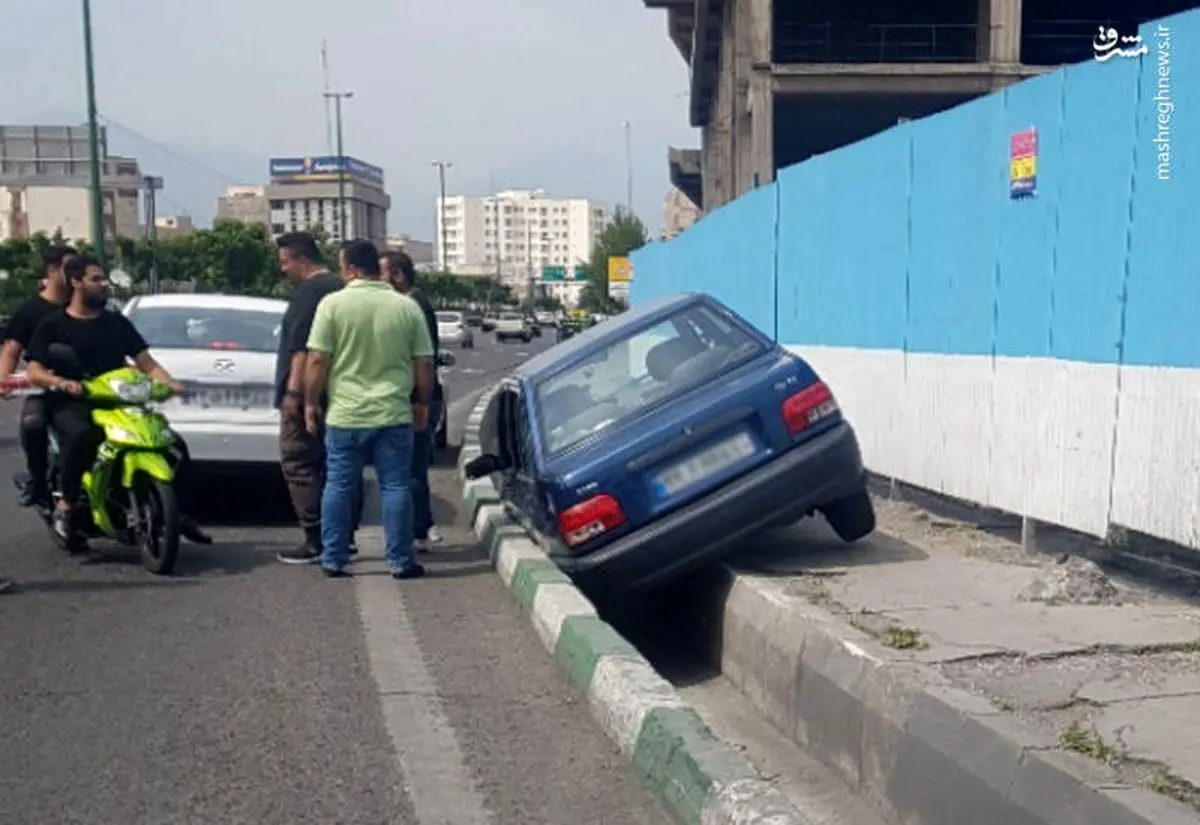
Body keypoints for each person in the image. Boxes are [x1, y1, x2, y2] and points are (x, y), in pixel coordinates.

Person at [23, 255, 211, 544]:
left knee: (173, 445)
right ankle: (67, 504)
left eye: (103, 279)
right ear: (76, 282)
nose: (104, 285)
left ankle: (182, 514)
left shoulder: (116, 323)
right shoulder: (54, 325)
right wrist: (60, 382)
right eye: (95, 279)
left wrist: (169, 383)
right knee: (82, 436)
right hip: (75, 401)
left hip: (119, 399)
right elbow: (34, 369)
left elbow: (146, 363)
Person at [303, 239, 434, 579]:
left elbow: (317, 359)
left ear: (349, 268)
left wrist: (309, 402)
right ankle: (400, 560)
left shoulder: (331, 305)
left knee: (339, 486)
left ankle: (333, 558)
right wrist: (421, 402)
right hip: (393, 414)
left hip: (345, 414)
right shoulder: (406, 307)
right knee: (396, 486)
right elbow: (423, 363)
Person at [272, 232, 354, 565]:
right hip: (337, 391)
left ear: (302, 260)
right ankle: (340, 535)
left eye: (285, 262)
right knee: (332, 466)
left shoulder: (309, 294)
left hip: (310, 393)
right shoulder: (340, 289)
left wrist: (295, 394)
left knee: (298, 460)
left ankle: (315, 537)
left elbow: (304, 351)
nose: (283, 270)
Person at [0, 244, 76, 506]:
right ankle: (38, 481)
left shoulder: (83, 307)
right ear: (53, 271)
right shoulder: (31, 311)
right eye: (71, 269)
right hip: (43, 389)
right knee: (33, 423)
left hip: (86, 386)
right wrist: (5, 380)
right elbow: (11, 350)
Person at [380, 249, 443, 551]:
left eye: (381, 274)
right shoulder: (414, 303)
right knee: (410, 468)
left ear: (397, 275)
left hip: (417, 398)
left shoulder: (411, 306)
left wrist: (420, 401)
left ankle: (417, 531)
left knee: (410, 468)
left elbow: (424, 360)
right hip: (418, 397)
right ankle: (422, 525)